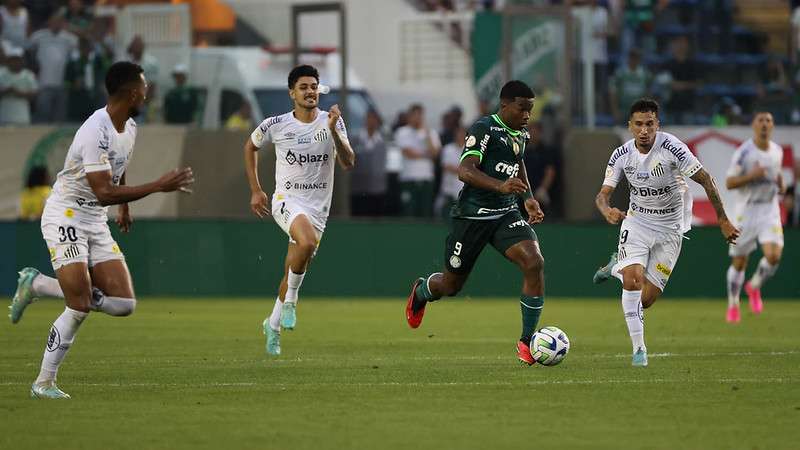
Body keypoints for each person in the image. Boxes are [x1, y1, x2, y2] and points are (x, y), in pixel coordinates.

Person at [8, 61, 195, 399]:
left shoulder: (130, 127)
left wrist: (124, 206)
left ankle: (36, 284)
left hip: (95, 219)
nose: (148, 91)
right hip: (65, 214)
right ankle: (43, 382)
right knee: (78, 304)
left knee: (123, 304)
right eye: (145, 86)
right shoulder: (95, 130)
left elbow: (116, 173)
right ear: (133, 92)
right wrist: (157, 186)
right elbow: (103, 190)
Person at [404, 80, 547, 366]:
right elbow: (464, 171)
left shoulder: (521, 134)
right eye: (522, 109)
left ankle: (526, 341)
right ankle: (421, 291)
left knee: (534, 262)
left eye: (530, 110)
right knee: (451, 285)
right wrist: (500, 186)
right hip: (472, 216)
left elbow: (518, 163)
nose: (527, 116)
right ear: (505, 105)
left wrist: (527, 198)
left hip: (506, 214)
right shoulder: (484, 129)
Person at [593, 98, 739, 367]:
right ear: (630, 126)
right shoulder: (621, 155)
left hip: (671, 229)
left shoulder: (672, 147)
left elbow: (706, 180)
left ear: (657, 124)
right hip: (636, 222)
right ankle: (639, 351)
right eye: (638, 125)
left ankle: (616, 267)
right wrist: (607, 211)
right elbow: (602, 196)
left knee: (646, 300)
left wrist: (723, 220)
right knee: (633, 282)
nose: (644, 130)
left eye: (650, 124)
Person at [244, 64, 355, 356]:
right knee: (305, 244)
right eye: (303, 87)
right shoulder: (275, 124)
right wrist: (256, 190)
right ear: (292, 93)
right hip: (287, 201)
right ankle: (292, 300)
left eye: (313, 86)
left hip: (319, 209)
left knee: (295, 265)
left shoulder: (331, 121)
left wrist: (333, 131)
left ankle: (273, 324)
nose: (310, 92)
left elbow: (348, 162)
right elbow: (250, 147)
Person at [724, 112, 785, 323]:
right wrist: (752, 176)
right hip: (746, 211)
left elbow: (776, 176)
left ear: (773, 125)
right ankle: (733, 303)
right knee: (740, 262)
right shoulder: (744, 153)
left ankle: (754, 286)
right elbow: (729, 183)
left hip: (769, 209)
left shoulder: (777, 151)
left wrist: (781, 184)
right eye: (761, 120)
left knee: (774, 256)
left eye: (769, 120)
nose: (765, 124)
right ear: (753, 125)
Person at [28, 12, 77, 123]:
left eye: (59, 22)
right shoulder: (38, 36)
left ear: (63, 23)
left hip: (62, 82)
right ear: (49, 22)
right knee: (43, 112)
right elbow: (29, 51)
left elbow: (75, 57)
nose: (56, 24)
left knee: (60, 115)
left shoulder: (70, 38)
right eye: (54, 21)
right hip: (44, 82)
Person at [395, 104, 441, 217]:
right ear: (409, 116)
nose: (418, 118)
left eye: (420, 115)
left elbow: (435, 153)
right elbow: (408, 153)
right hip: (408, 178)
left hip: (426, 178)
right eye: (415, 115)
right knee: (409, 211)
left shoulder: (430, 133)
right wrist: (427, 155)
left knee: (425, 212)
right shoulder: (402, 132)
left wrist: (427, 135)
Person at [350, 108, 387, 216]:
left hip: (377, 187)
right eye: (369, 118)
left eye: (374, 119)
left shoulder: (382, 140)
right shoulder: (355, 139)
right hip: (358, 187)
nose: (371, 122)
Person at [609, 49, 652, 124]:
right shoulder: (620, 74)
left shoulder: (645, 74)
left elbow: (648, 93)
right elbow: (613, 93)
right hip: (623, 110)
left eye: (636, 58)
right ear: (629, 59)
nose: (634, 61)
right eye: (632, 58)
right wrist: (615, 111)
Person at [0, 46, 36, 125]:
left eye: (18, 60)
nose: (15, 62)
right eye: (13, 60)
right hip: (4, 118)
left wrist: (18, 93)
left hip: (22, 118)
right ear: (8, 61)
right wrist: (6, 91)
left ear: (22, 61)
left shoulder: (28, 75)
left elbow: (34, 95)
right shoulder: (1, 74)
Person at [435, 125, 464, 220]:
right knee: (443, 217)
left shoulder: (470, 150)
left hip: (463, 192)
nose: (459, 136)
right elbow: (445, 166)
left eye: (462, 134)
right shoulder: (448, 148)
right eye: (457, 134)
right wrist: (463, 170)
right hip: (447, 190)